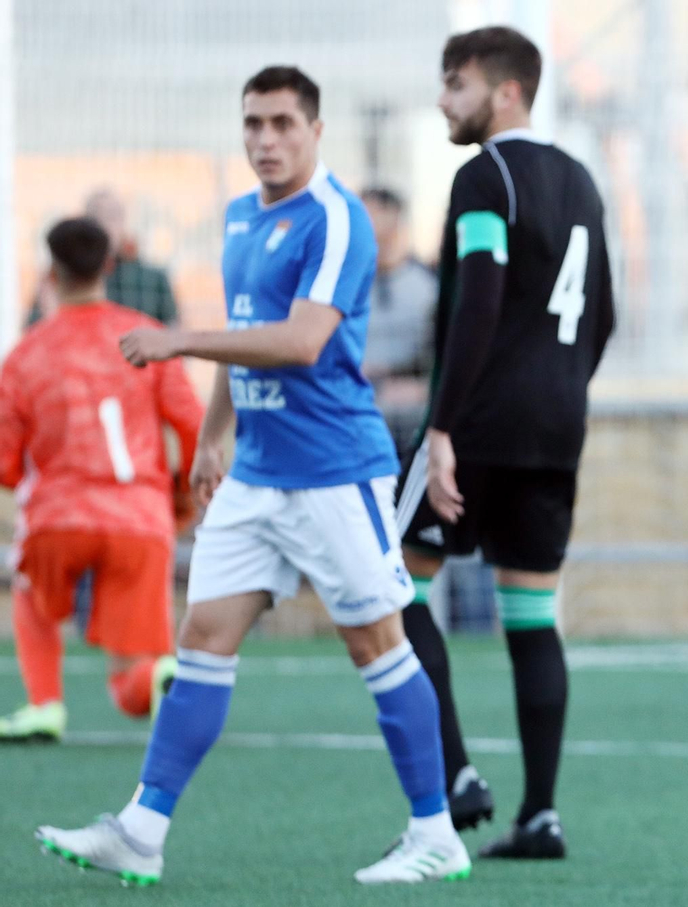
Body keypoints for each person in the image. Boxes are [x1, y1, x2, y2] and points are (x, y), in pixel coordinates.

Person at [33, 66, 469, 886]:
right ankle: (141, 828)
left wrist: (178, 340)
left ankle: (436, 831)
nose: (265, 141)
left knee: (379, 644)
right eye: (253, 125)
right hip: (257, 476)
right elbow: (247, 332)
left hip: (336, 473)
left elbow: (301, 341)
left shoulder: (336, 220)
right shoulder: (239, 217)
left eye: (281, 124)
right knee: (202, 640)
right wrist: (211, 435)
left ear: (314, 130)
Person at [395, 26, 615, 859]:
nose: (445, 101)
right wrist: (558, 393)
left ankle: (453, 773)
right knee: (531, 617)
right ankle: (542, 815)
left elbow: (479, 301)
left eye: (456, 85)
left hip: (477, 423)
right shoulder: (581, 180)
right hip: (556, 427)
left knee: (391, 589)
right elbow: (605, 315)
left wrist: (443, 425)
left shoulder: (483, 175)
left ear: (507, 91)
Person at [0, 218, 202, 743]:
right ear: (111, 266)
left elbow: (4, 460)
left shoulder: (26, 354)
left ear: (51, 271)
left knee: (31, 595)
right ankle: (152, 676)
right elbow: (193, 423)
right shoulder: (147, 338)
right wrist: (181, 491)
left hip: (57, 514)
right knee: (130, 677)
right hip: (140, 517)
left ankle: (45, 704)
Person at [30, 189, 181, 327]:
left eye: (113, 215)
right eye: (96, 216)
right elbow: (35, 333)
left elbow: (174, 336)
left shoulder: (152, 280)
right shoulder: (62, 279)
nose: (106, 224)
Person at [360, 187, 436, 451]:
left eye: (371, 215)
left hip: (415, 427)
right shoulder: (347, 288)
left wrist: (418, 386)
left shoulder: (429, 286)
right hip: (359, 425)